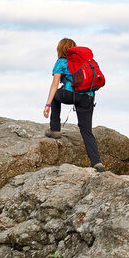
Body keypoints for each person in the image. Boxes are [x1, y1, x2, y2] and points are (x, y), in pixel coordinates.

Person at [43, 38, 106, 172]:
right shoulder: (86, 61)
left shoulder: (61, 62)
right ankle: (97, 162)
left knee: (55, 97)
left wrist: (48, 104)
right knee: (86, 130)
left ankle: (55, 129)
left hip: (69, 95)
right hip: (88, 97)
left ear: (60, 49)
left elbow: (55, 85)